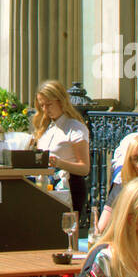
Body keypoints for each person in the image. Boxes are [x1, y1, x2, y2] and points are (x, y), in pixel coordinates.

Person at [32, 80, 90, 217]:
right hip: (47, 186)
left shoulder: (75, 128)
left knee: (67, 234)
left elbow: (84, 168)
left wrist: (59, 163)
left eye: (49, 104)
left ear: (61, 101)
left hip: (70, 186)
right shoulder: (47, 128)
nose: (46, 109)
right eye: (42, 105)